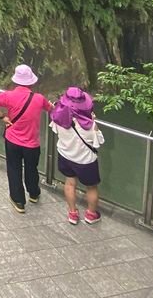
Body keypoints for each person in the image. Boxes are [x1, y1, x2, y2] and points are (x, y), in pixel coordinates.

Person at [0, 64, 54, 213]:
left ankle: (19, 201)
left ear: (16, 81)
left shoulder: (8, 96)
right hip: (32, 143)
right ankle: (34, 194)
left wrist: (2, 116)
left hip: (13, 140)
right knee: (31, 169)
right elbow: (51, 109)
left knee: (14, 168)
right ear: (31, 81)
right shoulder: (39, 98)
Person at [50, 87, 105, 225]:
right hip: (85, 160)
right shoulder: (90, 126)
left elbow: (55, 129)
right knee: (91, 187)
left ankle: (73, 213)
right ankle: (91, 214)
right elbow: (99, 142)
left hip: (65, 156)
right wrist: (94, 122)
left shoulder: (58, 119)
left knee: (69, 183)